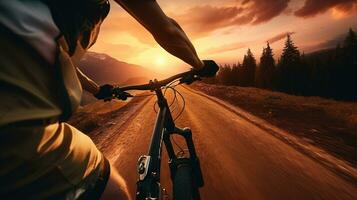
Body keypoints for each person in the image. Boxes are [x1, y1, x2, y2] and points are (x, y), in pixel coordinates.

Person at [0, 0, 217, 199]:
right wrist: (199, 66)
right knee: (114, 190)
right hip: (18, 132)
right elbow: (167, 30)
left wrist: (97, 90)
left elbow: (60, 57)